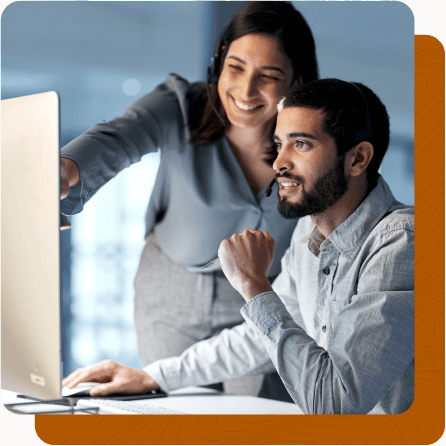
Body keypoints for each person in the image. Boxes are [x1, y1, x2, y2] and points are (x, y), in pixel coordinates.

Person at [63, 79, 414, 414]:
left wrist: (254, 285)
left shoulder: (401, 243)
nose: (279, 163)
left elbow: (335, 405)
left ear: (358, 159)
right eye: (279, 145)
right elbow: (255, 339)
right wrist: (153, 376)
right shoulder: (311, 232)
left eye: (301, 144)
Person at [60, 2, 318, 399]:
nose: (246, 90)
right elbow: (120, 135)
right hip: (172, 291)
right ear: (219, 62)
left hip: (262, 294)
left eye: (268, 76)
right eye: (236, 68)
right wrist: (66, 167)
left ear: (296, 82)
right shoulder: (180, 105)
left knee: (258, 417)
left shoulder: (312, 144)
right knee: (177, 410)